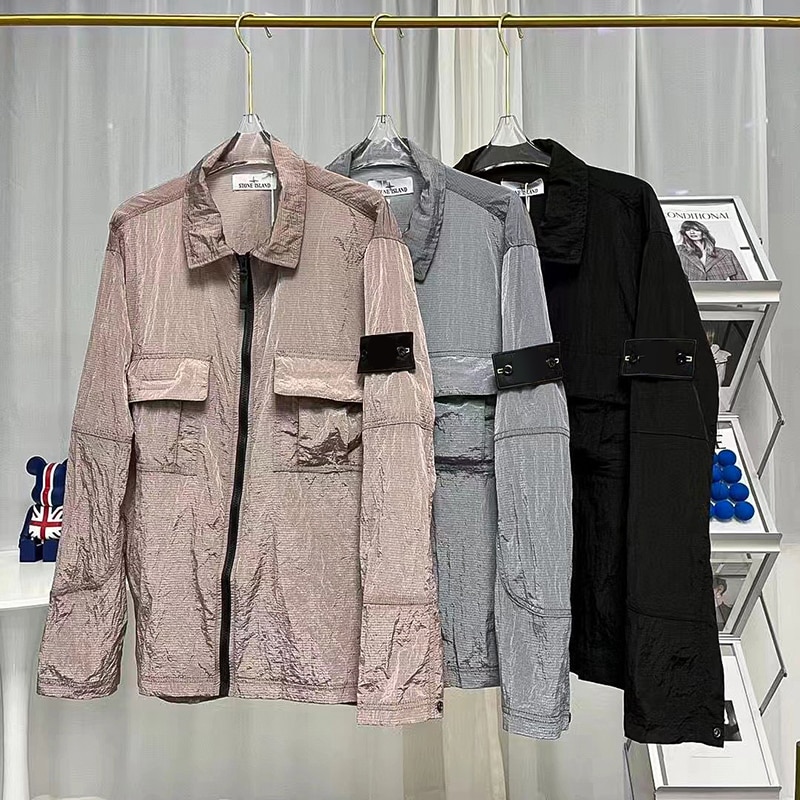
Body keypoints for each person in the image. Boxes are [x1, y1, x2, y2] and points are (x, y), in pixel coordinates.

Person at [677, 220, 747, 281]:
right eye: (688, 230)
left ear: (703, 232)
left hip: (719, 291)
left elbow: (742, 283)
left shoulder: (726, 254)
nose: (692, 232)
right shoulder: (679, 251)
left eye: (696, 229)